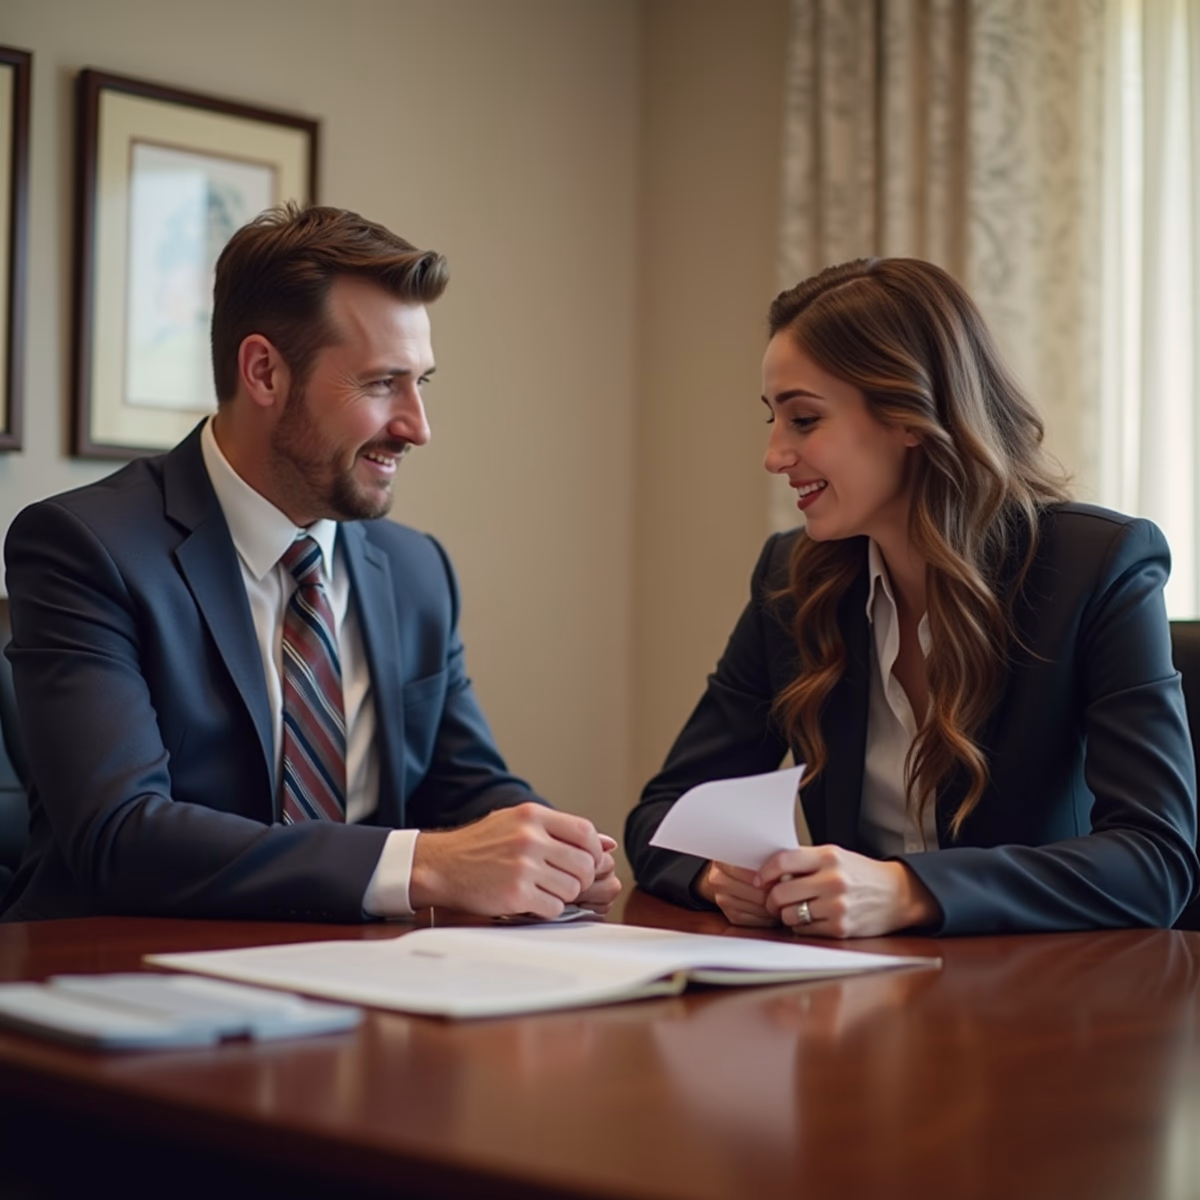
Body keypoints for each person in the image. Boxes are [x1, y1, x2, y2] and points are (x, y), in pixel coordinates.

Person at [2, 203, 620, 923]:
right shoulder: (86, 547)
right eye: (382, 383)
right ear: (264, 371)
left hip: (369, 983)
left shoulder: (415, 570)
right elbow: (120, 834)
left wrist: (550, 848)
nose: (417, 426)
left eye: (422, 382)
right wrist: (421, 865)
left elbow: (465, 784)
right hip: (123, 982)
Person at [625, 257, 1198, 937]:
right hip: (851, 999)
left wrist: (906, 890)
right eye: (772, 421)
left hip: (1044, 1003)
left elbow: (1154, 862)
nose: (775, 455)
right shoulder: (792, 579)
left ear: (910, 416)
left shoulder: (1096, 567)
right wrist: (718, 874)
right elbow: (665, 811)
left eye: (804, 420)